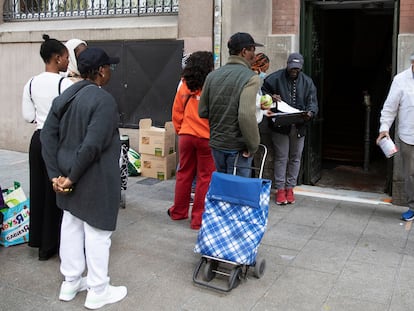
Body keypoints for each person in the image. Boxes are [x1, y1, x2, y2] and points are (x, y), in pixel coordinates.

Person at [40, 47, 127, 309]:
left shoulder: (67, 94)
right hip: (94, 176)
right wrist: (70, 177)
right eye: (108, 66)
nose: (111, 70)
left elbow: (47, 136)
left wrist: (57, 175)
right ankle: (98, 288)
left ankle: (71, 282)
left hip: (68, 173)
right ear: (101, 71)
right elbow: (92, 145)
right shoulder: (103, 100)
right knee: (98, 232)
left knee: (72, 225)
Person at [21, 34, 72, 261]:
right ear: (57, 58)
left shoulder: (31, 83)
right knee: (58, 191)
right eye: (66, 57)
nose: (68, 62)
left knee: (39, 189)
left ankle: (39, 241)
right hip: (58, 140)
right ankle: (54, 243)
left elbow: (27, 116)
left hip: (38, 139)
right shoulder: (65, 83)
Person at [199, 32, 262, 177]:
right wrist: (253, 146)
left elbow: (202, 111)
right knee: (237, 193)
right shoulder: (251, 78)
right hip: (238, 147)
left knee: (223, 189)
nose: (255, 54)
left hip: (217, 144)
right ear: (244, 51)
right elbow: (246, 115)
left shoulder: (212, 76)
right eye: (253, 49)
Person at [262, 52, 318, 205]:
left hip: (299, 125)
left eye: (297, 68)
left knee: (295, 157)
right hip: (280, 124)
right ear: (287, 65)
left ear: (301, 67)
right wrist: (271, 96)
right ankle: (280, 189)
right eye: (292, 68)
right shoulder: (275, 78)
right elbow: (262, 91)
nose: (294, 71)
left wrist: (310, 113)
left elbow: (312, 102)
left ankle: (290, 188)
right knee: (282, 157)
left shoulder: (307, 82)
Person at [168, 51, 216, 230]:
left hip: (186, 136)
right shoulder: (211, 86)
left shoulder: (184, 85)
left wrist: (181, 131)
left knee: (184, 174)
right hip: (206, 137)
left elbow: (176, 111)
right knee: (205, 178)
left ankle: (178, 212)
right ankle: (197, 220)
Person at [377, 52, 414, 221]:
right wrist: (384, 128)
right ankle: (413, 206)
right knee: (410, 174)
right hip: (409, 137)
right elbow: (390, 107)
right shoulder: (400, 80)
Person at [251, 52, 271, 123]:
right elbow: (249, 101)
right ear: (259, 68)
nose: (265, 73)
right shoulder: (251, 79)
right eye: (264, 70)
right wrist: (260, 105)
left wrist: (265, 112)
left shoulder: (257, 81)